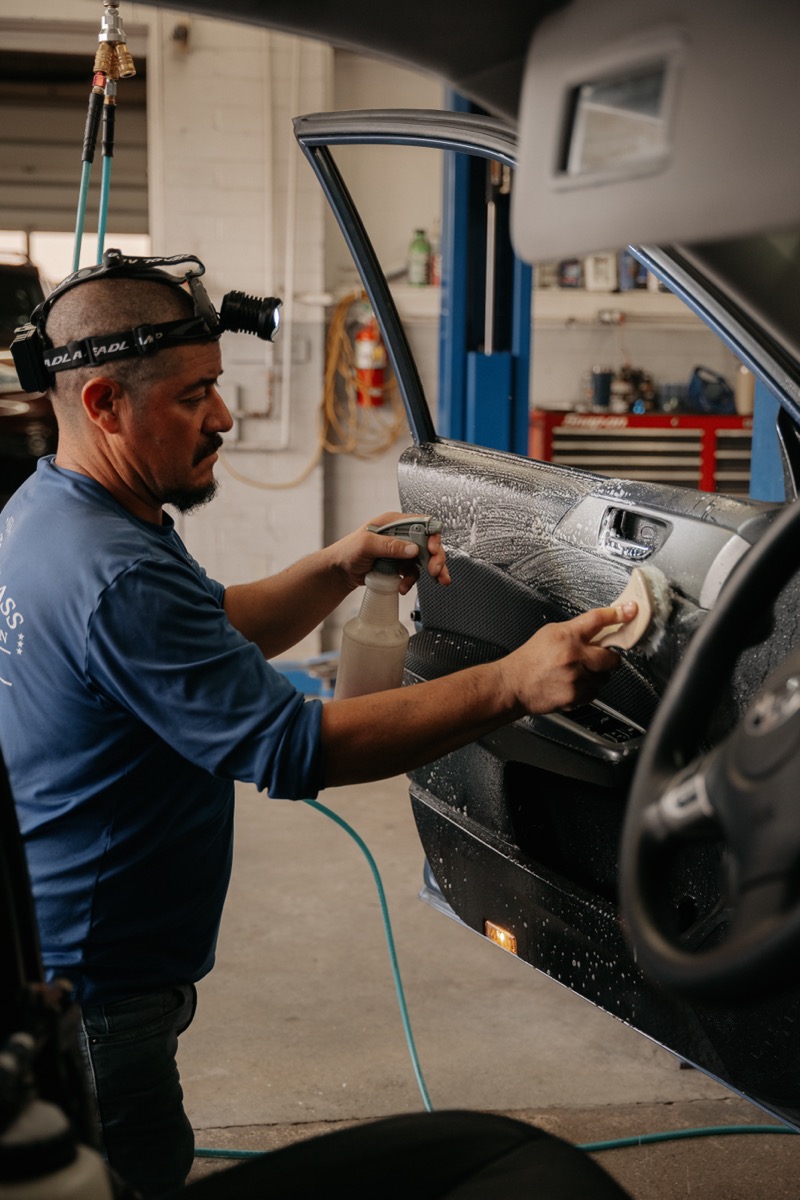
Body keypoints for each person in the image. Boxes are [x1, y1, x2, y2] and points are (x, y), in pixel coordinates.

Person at [0, 256, 636, 1198]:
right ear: (101, 402)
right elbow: (296, 749)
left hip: (66, 948)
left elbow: (206, 629)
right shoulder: (116, 573)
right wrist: (513, 683)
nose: (223, 418)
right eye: (196, 396)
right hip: (103, 983)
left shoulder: (55, 513)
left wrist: (336, 566)